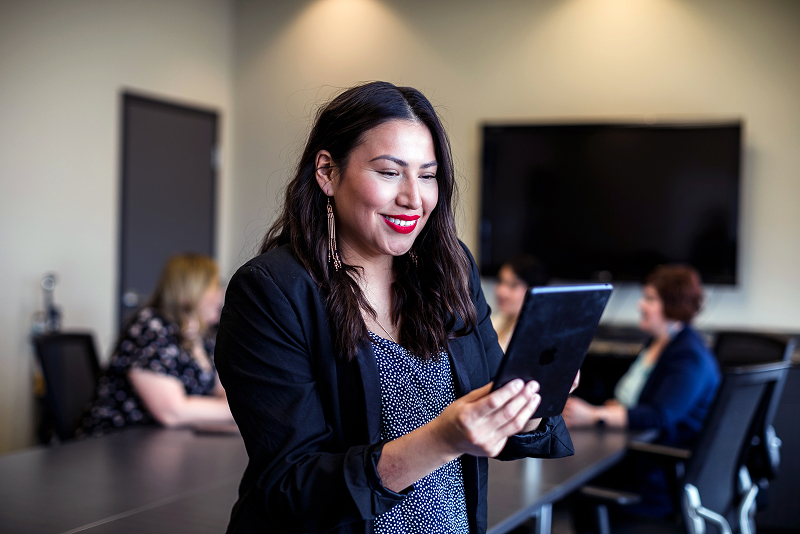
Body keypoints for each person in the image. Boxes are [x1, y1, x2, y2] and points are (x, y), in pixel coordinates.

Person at [215, 81, 575, 534]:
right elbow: (292, 487)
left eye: (427, 175)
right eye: (389, 172)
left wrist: (535, 396)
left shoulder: (449, 269)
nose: (414, 198)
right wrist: (443, 439)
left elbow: (490, 407)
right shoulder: (271, 291)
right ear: (327, 171)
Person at [563, 264, 721, 519]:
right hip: (640, 456)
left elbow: (660, 415)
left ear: (672, 305)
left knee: (580, 490)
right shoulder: (660, 343)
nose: (640, 305)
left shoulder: (689, 356)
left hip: (658, 478)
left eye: (650, 299)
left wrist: (594, 415)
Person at [81, 253, 233, 435]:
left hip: (170, 438)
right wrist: (237, 410)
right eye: (215, 286)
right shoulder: (150, 328)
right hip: (119, 441)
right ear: (192, 290)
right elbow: (171, 412)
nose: (221, 295)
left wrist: (230, 406)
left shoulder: (203, 335)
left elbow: (223, 389)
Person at [492, 255, 548, 352]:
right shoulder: (494, 320)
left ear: (533, 289)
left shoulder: (538, 334)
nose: (501, 291)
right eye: (500, 281)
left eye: (513, 285)